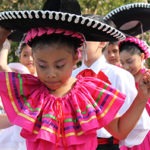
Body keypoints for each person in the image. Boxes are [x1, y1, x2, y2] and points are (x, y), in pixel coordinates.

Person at [0, 0, 150, 150]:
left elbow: (119, 130)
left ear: (75, 58)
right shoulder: (29, 91)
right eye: (42, 65)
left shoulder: (89, 93)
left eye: (60, 65)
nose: (51, 73)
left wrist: (141, 97)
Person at [118, 36, 150, 150]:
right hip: (129, 132)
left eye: (129, 61)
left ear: (141, 57)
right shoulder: (123, 79)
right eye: (122, 62)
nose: (126, 67)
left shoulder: (148, 78)